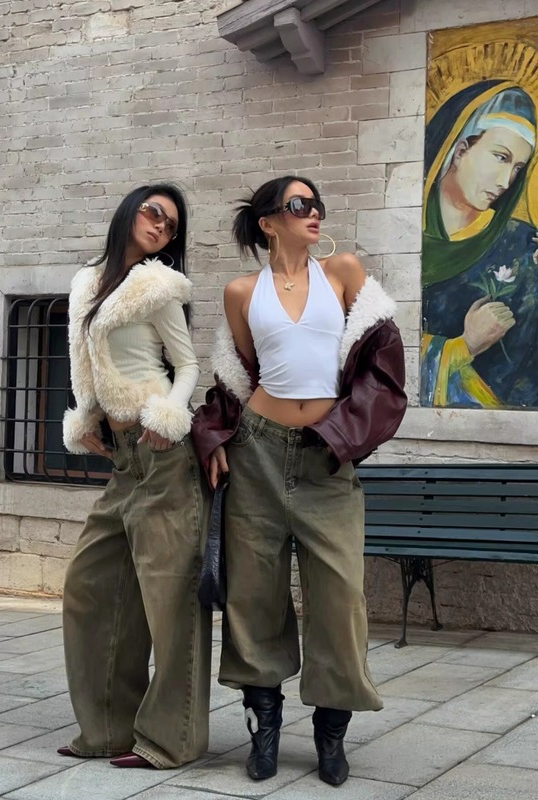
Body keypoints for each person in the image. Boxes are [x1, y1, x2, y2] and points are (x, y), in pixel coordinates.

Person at [192, 175, 407, 786]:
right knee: (254, 596)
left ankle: (331, 734)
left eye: (316, 204)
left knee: (340, 597)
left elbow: (383, 369)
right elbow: (238, 377)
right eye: (298, 204)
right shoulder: (241, 292)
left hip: (326, 457)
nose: (313, 212)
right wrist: (215, 437)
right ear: (268, 222)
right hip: (257, 454)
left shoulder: (344, 272)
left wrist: (346, 436)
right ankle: (264, 728)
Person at [59, 183, 211, 769]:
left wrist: (169, 417)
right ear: (129, 211)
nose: (160, 226)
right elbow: (87, 363)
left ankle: (171, 740)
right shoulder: (87, 283)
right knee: (90, 585)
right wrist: (85, 417)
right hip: (124, 459)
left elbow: (188, 364)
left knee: (169, 599)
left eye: (170, 225)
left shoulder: (157, 286)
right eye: (153, 212)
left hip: (163, 455)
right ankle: (106, 729)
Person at [421, 81, 538, 408]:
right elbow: (374, 349)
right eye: (500, 157)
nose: (505, 182)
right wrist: (464, 346)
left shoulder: (523, 248)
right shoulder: (401, 241)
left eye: (517, 168)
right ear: (460, 150)